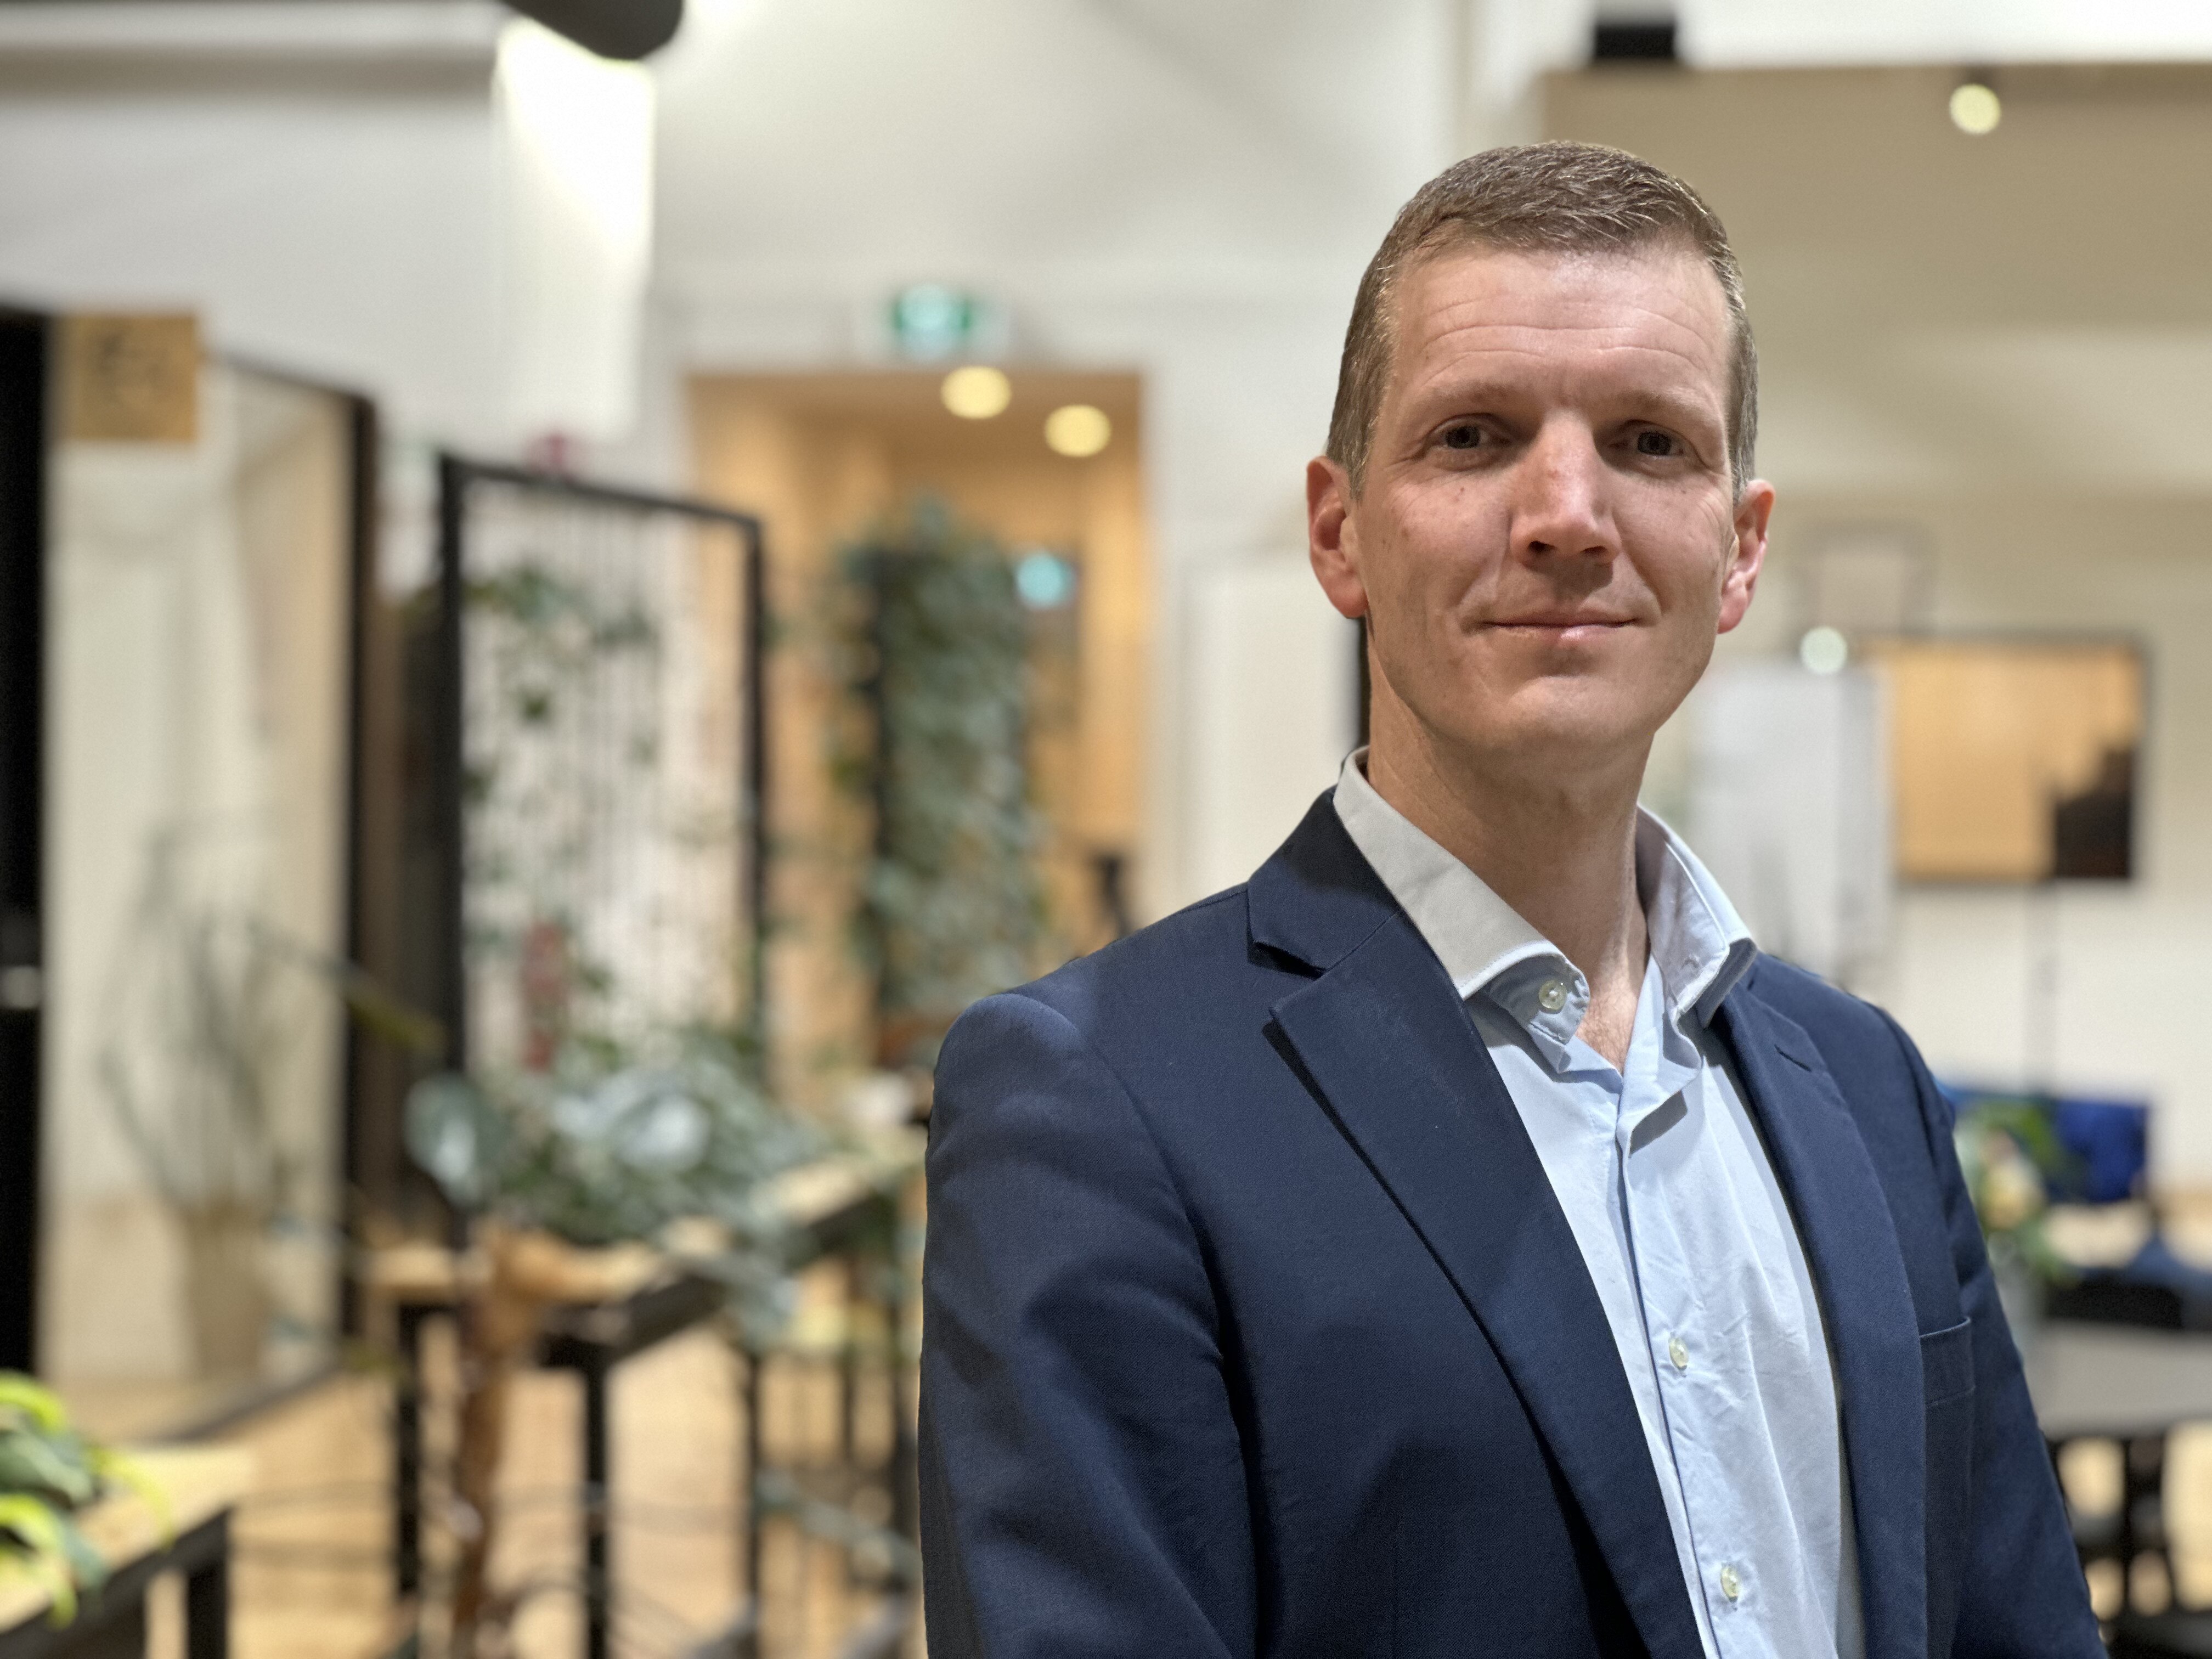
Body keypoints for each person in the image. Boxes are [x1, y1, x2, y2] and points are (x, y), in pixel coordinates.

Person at [918, 142, 2098, 1659]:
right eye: (1475, 436)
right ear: (1341, 531)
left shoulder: (1863, 1083)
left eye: (1649, 443)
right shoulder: (1098, 1104)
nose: (1565, 512)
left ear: (1738, 550)